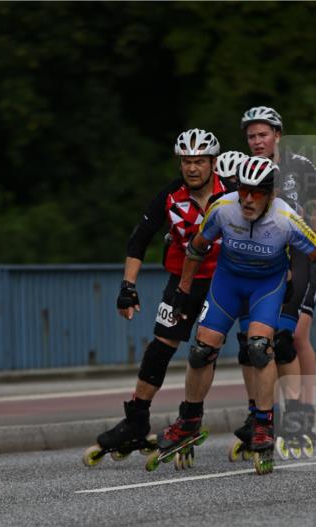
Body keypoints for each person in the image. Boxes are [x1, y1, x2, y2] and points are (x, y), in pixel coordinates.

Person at [153, 156, 316, 475]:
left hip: (267, 285)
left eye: (257, 193)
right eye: (244, 191)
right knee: (201, 350)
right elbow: (197, 247)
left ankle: (264, 423)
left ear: (272, 193)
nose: (248, 199)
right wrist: (183, 290)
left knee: (259, 348)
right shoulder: (223, 207)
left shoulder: (286, 218)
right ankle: (189, 420)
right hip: (228, 282)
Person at [83, 128, 226, 466]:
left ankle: (199, 418)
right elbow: (139, 240)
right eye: (186, 161)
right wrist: (127, 287)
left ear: (213, 163)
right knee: (160, 347)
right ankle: (136, 420)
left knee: (206, 351)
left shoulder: (233, 194)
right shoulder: (169, 196)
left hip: (224, 283)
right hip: (182, 284)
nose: (192, 168)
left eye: (199, 162)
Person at [240, 106, 316, 448]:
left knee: (295, 335)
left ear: (278, 135)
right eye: (252, 136)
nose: (257, 141)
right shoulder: (247, 170)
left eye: (263, 134)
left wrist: (315, 246)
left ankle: (303, 409)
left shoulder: (299, 165)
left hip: (302, 255)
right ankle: (263, 412)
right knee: (262, 339)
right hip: (266, 262)